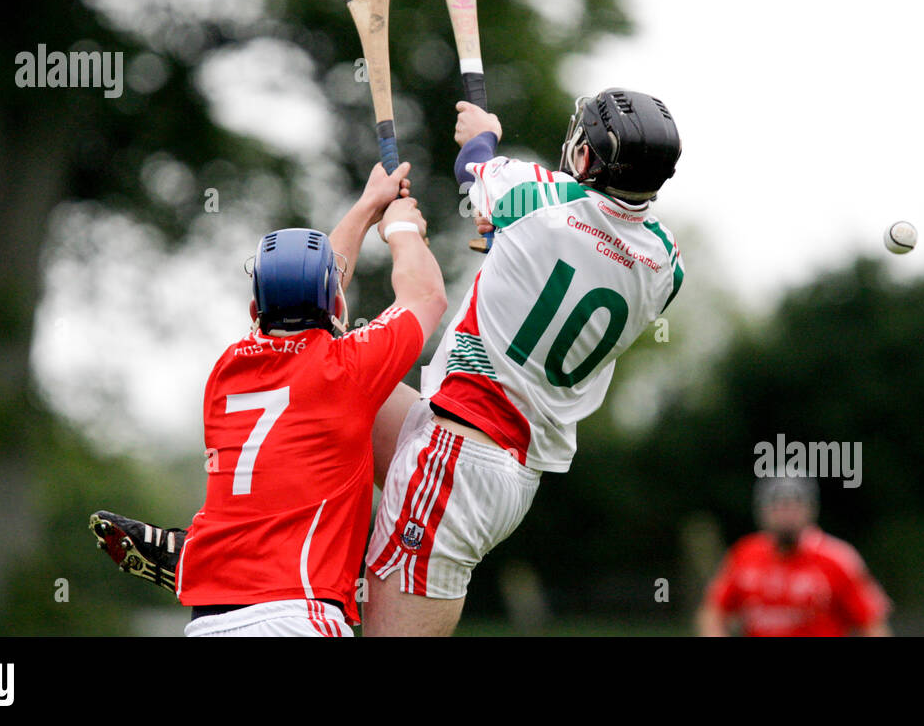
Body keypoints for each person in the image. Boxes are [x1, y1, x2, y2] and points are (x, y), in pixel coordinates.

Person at [361, 89, 684, 636]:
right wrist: (515, 246)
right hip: (506, 463)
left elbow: (474, 162)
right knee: (338, 389)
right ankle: (274, 559)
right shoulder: (665, 262)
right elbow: (579, 254)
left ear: (588, 157)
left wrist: (483, 130)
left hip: (458, 452)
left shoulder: (542, 196)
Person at [92, 163, 447, 636]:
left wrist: (367, 207)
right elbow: (425, 294)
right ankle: (193, 547)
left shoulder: (226, 372)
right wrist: (401, 226)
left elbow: (320, 294)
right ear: (336, 303)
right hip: (298, 615)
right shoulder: (346, 368)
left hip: (209, 624)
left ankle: (198, 549)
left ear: (255, 308)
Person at [696, 477, 892, 637]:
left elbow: (872, 623)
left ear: (811, 508)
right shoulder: (744, 555)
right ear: (761, 510)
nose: (785, 513)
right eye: (776, 505)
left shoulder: (838, 558)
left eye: (794, 504)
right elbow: (713, 612)